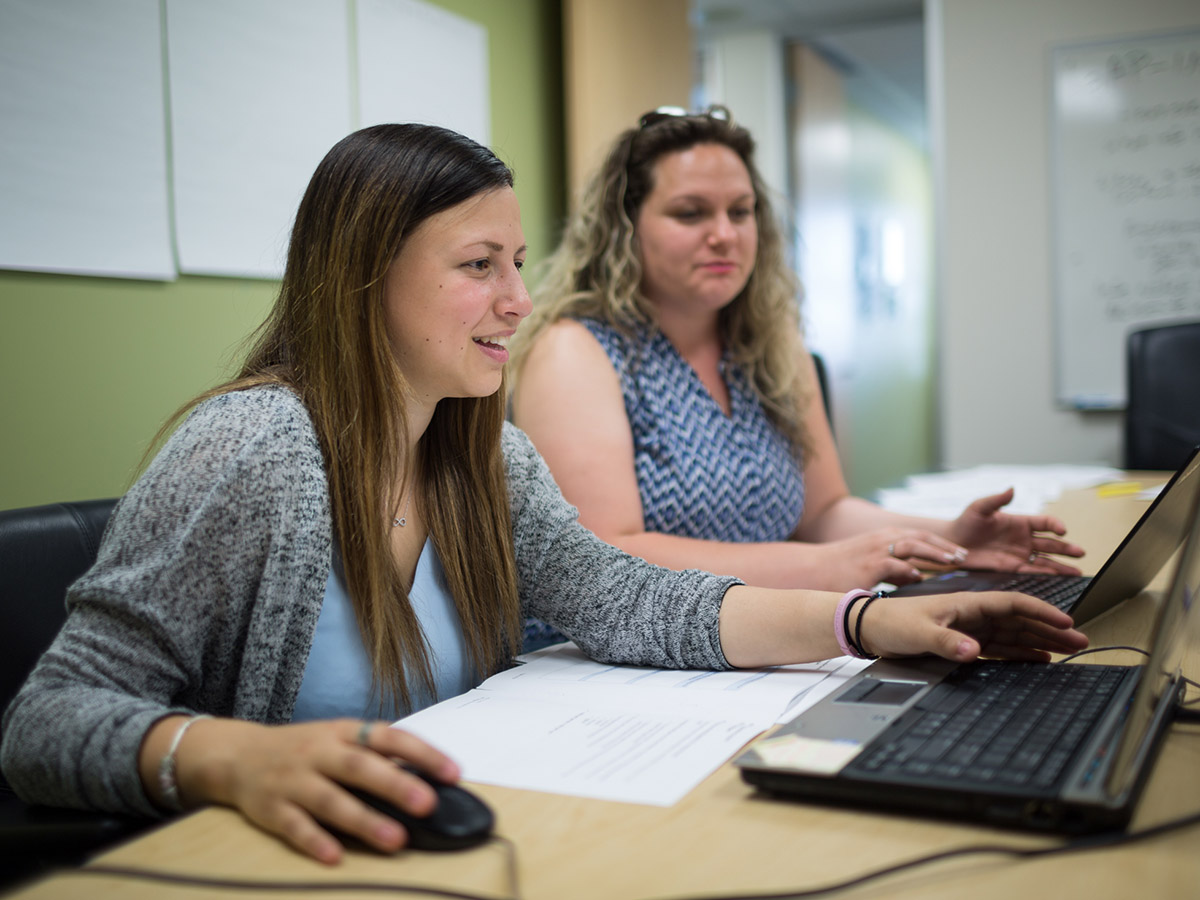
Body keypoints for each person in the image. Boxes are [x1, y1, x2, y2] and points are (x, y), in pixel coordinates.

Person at [2, 123, 1087, 867]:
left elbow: (631, 598)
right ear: (362, 277)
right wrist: (230, 755)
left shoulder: (482, 450)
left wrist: (872, 621)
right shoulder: (248, 451)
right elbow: (45, 724)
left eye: (519, 262)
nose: (520, 301)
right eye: (479, 266)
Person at [510, 105, 1086, 593]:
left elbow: (824, 512)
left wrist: (948, 538)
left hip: (751, 629)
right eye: (691, 213)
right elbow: (608, 554)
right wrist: (827, 568)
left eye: (741, 211)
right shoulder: (574, 352)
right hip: (612, 657)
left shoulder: (770, 343)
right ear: (624, 227)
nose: (724, 234)